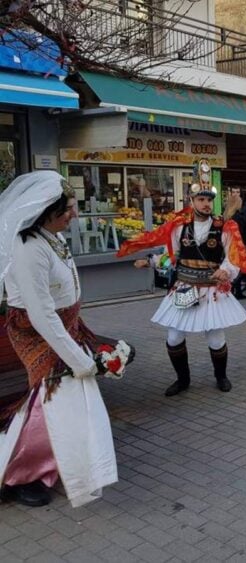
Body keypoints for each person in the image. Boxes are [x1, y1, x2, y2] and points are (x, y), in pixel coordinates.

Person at [0, 171, 120, 507]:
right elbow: (41, 315)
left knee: (60, 402)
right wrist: (80, 360)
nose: (75, 215)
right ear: (45, 213)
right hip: (36, 332)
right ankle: (19, 474)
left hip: (62, 327)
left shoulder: (52, 237)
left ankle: (53, 464)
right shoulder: (27, 248)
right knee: (49, 401)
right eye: (67, 209)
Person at [117, 161, 246, 395]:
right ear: (191, 201)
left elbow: (234, 257)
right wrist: (149, 261)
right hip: (185, 287)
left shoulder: (225, 227)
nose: (206, 204)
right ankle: (183, 379)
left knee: (216, 339)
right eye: (201, 199)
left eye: (209, 199)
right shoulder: (180, 228)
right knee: (174, 336)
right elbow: (172, 255)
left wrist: (227, 271)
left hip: (211, 291)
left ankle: (221, 376)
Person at [227, 187, 246, 299]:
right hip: (237, 244)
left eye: (238, 192)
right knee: (237, 267)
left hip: (229, 244)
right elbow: (243, 230)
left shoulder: (228, 213)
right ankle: (235, 288)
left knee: (232, 266)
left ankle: (234, 289)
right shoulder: (238, 215)